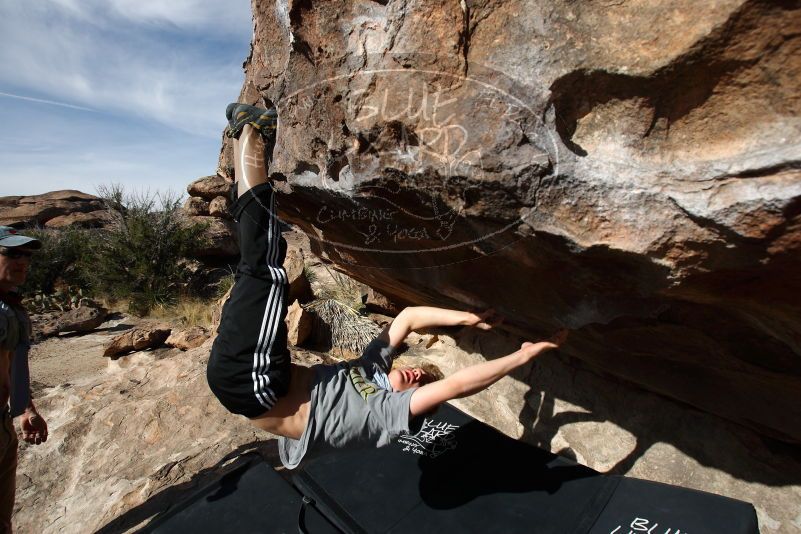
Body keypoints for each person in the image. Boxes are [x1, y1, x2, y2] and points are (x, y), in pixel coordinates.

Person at [206, 103, 567, 470]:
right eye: (421, 371)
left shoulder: (382, 417)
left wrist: (523, 357)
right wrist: (468, 319)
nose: (417, 376)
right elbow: (407, 318)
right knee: (260, 266)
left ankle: (249, 132)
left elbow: (455, 386)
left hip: (255, 383)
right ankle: (245, 139)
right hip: (263, 373)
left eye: (419, 384)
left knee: (263, 267)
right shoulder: (369, 371)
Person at [0, 226, 48, 532]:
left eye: (26, 255)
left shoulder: (10, 307)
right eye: (12, 253)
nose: (23, 262)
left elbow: (11, 363)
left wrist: (25, 408)